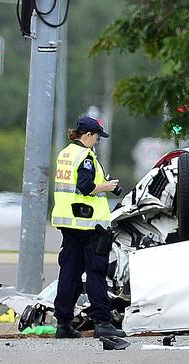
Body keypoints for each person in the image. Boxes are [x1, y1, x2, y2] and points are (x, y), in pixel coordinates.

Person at [51, 115, 124, 338]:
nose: (98, 141)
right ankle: (102, 322)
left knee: (69, 273)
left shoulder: (66, 153)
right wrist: (107, 186)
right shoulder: (85, 157)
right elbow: (85, 187)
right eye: (97, 137)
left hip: (69, 223)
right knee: (96, 272)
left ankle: (63, 324)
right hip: (89, 224)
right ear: (88, 135)